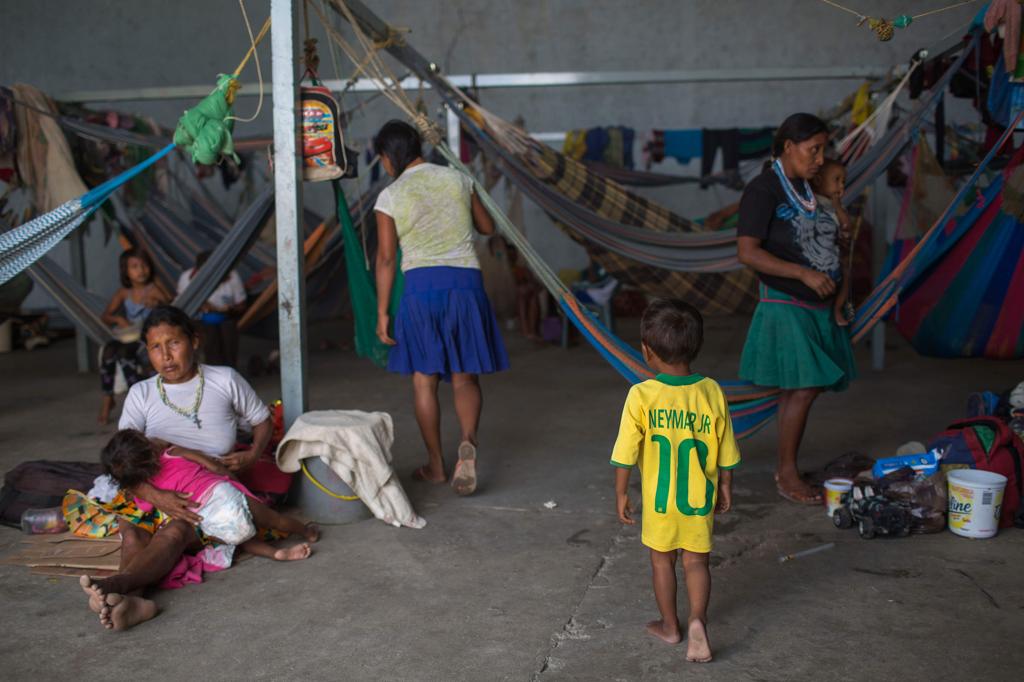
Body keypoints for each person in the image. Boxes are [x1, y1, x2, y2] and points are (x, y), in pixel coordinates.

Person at [79, 305, 275, 631]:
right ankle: (134, 601)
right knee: (133, 532)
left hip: (205, 486)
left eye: (174, 343)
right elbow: (124, 461)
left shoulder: (224, 379)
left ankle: (119, 588)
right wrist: (157, 496)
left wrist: (253, 454)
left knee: (176, 530)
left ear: (194, 341)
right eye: (156, 347)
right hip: (148, 485)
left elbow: (262, 421)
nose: (166, 356)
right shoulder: (141, 394)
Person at [372, 120, 509, 495]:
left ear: (389, 156)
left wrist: (383, 313)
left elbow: (385, 260)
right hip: (465, 285)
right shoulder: (457, 179)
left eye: (381, 158)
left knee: (424, 380)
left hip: (420, 290)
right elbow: (487, 226)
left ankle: (436, 465)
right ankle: (468, 442)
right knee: (465, 377)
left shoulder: (391, 195)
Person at [736, 113, 857, 504]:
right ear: (788, 146)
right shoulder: (763, 190)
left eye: (823, 149)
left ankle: (786, 467)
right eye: (813, 149)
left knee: (803, 390)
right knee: (802, 389)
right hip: (786, 303)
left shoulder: (808, 188)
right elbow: (747, 252)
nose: (820, 158)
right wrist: (803, 274)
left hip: (816, 306)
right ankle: (787, 474)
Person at [611, 299, 739, 663]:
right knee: (697, 563)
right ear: (696, 347)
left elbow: (624, 452)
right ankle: (698, 619)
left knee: (661, 562)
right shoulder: (712, 391)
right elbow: (726, 444)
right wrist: (726, 484)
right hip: (700, 499)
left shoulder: (641, 395)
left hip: (660, 502)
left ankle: (671, 626)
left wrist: (621, 492)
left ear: (646, 351)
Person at [101, 429, 317, 564]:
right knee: (273, 519)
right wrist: (236, 483)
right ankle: (306, 531)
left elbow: (147, 507)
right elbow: (213, 465)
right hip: (223, 494)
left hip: (205, 517)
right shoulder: (173, 453)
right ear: (149, 448)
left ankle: (275, 554)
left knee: (240, 538)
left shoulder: (148, 488)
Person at [98, 249, 171, 424]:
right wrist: (118, 319)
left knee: (124, 353)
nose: (141, 270)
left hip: (149, 336)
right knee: (108, 350)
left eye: (144, 265)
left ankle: (138, 401)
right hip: (129, 335)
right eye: (135, 267)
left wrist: (157, 303)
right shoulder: (124, 292)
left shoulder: (154, 285)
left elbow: (172, 305)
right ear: (126, 271)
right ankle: (108, 398)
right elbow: (105, 316)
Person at [176, 251, 248, 368]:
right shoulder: (187, 279)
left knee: (228, 330)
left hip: (226, 318)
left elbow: (242, 305)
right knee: (209, 335)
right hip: (198, 320)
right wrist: (201, 305)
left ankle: (229, 369)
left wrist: (228, 309)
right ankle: (213, 368)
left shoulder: (232, 276)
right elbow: (180, 307)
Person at [809, 158, 854, 325]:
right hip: (815, 258)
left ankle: (837, 310)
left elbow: (846, 225)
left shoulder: (838, 206)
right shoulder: (811, 201)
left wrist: (837, 207)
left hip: (834, 258)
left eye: (843, 182)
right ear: (819, 181)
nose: (841, 186)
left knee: (847, 276)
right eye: (836, 180)